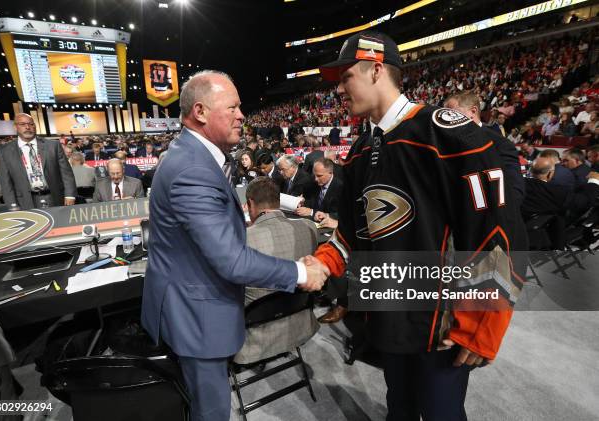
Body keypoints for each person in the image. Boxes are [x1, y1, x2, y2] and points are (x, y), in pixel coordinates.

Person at [314, 31, 522, 421]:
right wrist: (324, 260)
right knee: (400, 408)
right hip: (389, 312)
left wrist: (482, 323)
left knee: (442, 413)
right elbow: (352, 233)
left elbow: (497, 228)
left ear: (376, 70)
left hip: (441, 323)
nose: (340, 89)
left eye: (345, 78)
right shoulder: (359, 151)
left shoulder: (448, 133)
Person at [140, 70, 328, 421]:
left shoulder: (193, 156)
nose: (242, 115)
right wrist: (301, 271)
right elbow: (232, 261)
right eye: (233, 107)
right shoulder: (191, 168)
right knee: (211, 412)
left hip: (197, 304)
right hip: (196, 317)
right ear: (200, 111)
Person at [235, 176, 320, 364]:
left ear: (250, 203)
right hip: (299, 323)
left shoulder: (240, 240)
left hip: (255, 338)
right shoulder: (309, 227)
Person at [0, 113, 76, 209]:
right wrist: (12, 204)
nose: (27, 127)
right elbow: (5, 182)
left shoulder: (53, 145)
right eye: (22, 124)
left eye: (31, 124)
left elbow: (66, 173)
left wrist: (70, 195)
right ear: (15, 127)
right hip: (24, 201)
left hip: (54, 197)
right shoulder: (5, 151)